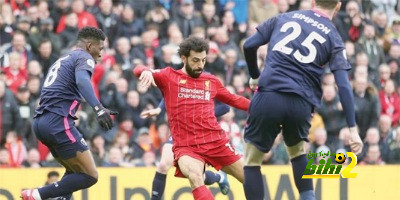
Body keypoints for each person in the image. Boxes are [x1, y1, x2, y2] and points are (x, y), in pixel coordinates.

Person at [241, 0, 363, 200]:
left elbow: (249, 45)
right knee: (297, 153)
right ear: (338, 6)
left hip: (269, 95)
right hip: (301, 103)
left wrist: (255, 76)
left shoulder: (285, 17)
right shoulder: (334, 37)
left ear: (314, 2)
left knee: (252, 160)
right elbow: (343, 85)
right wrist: (352, 129)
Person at [134, 36, 250, 200]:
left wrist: (260, 108)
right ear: (184, 57)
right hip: (186, 146)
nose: (200, 65)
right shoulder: (168, 76)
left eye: (203, 60)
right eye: (195, 60)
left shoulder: (211, 81)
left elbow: (233, 100)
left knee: (250, 178)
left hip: (215, 141)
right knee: (196, 177)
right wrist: (144, 70)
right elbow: (137, 68)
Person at [21, 27, 118, 200]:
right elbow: (82, 81)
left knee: (74, 172)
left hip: (40, 123)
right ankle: (37, 194)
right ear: (89, 46)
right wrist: (98, 108)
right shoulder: (84, 57)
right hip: (58, 122)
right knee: (90, 175)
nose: (101, 54)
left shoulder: (64, 59)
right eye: (100, 48)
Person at [141, 100, 231, 199]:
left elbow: (225, 106)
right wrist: (160, 109)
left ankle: (219, 177)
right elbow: (168, 92)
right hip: (181, 132)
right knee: (163, 165)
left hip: (200, 135)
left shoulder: (207, 85)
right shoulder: (180, 85)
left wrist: (201, 115)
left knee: (197, 176)